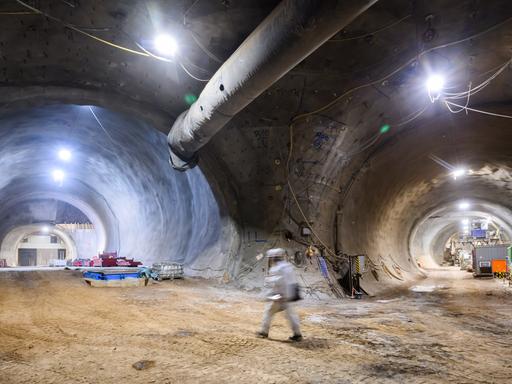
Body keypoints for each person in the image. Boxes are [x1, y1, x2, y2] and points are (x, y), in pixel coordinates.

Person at [257, 248, 303, 341]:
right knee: (291, 315)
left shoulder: (276, 269)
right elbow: (292, 281)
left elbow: (275, 283)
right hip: (290, 295)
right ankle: (297, 334)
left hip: (281, 296)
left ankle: (263, 332)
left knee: (269, 311)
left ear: (273, 258)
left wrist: (269, 296)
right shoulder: (288, 266)